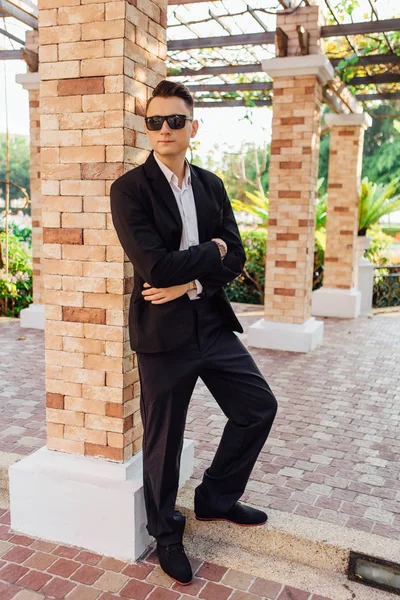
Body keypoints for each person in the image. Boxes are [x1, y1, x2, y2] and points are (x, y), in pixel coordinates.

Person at [110, 80, 278, 586]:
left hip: (211, 321)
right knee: (164, 439)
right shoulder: (128, 190)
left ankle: (216, 499)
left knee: (256, 408)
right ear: (148, 129)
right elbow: (155, 267)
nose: (164, 129)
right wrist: (210, 255)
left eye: (175, 120)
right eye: (154, 121)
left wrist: (193, 279)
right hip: (162, 336)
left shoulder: (211, 184)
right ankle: (166, 533)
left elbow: (239, 254)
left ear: (193, 127)